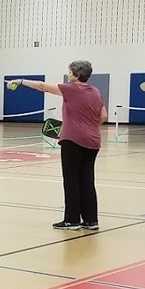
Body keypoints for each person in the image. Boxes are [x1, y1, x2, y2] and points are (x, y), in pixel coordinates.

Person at [14, 62, 107, 230]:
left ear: (77, 75)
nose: (68, 75)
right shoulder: (96, 92)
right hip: (93, 141)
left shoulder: (70, 89)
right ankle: (91, 221)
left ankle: (71, 220)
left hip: (73, 140)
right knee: (87, 180)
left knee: (71, 180)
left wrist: (21, 81)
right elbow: (103, 117)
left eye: (70, 72)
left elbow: (42, 86)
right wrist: (87, 127)